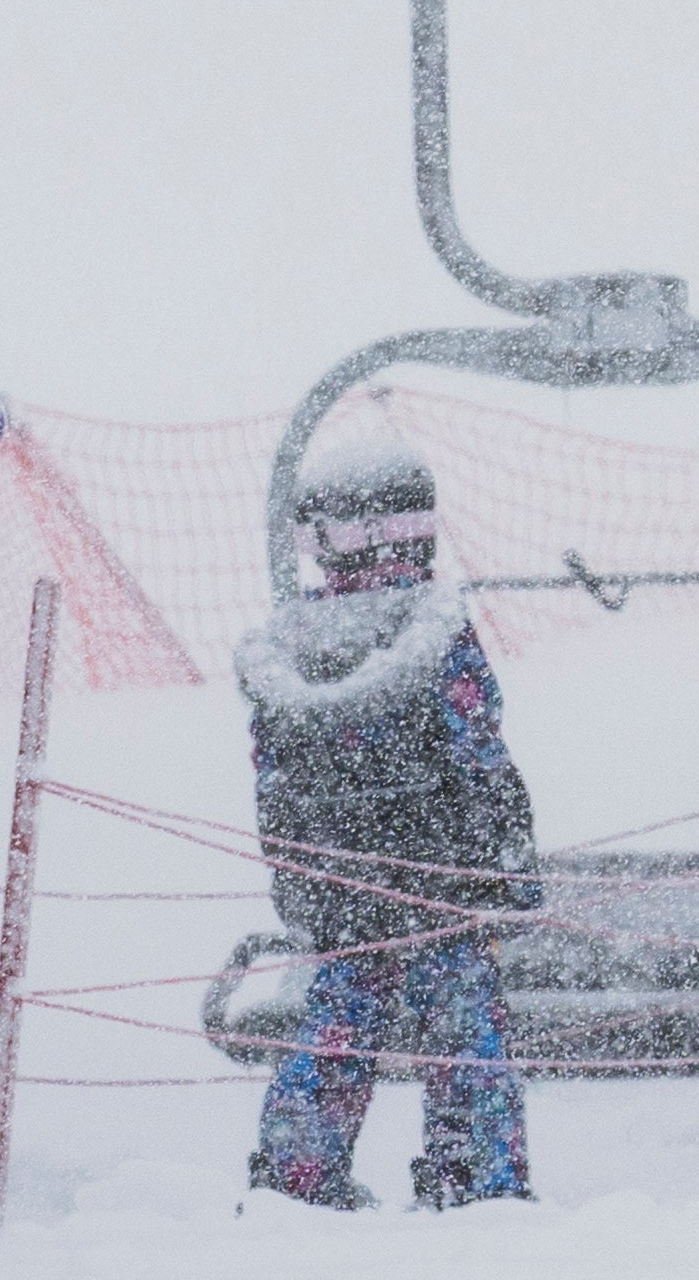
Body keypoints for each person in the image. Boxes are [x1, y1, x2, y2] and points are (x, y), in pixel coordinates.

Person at [228, 443, 541, 1207]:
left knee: (340, 1020)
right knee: (464, 1030)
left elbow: (273, 778)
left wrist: (300, 876)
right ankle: (474, 1178)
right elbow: (478, 747)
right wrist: (510, 861)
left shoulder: (291, 647)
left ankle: (299, 1173)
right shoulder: (434, 632)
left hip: (344, 885)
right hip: (439, 875)